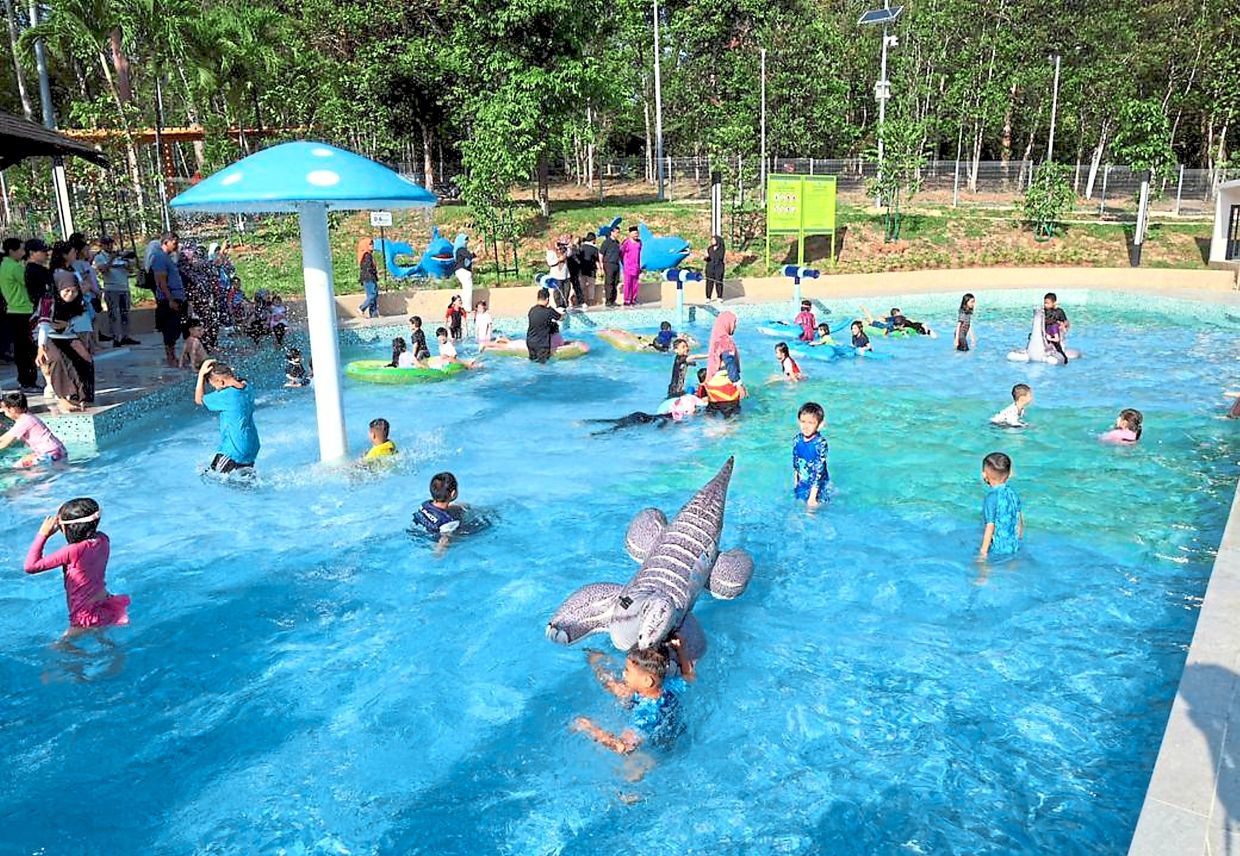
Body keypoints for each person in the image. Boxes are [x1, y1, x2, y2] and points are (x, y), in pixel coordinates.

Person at [23, 497, 130, 634]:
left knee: (60, 648)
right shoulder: (103, 539)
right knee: (102, 637)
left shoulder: (72, 551)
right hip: (105, 601)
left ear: (68, 528)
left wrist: (43, 534)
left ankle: (91, 656)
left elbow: (30, 566)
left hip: (85, 614)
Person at [571, 645, 689, 760]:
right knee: (617, 688)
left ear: (647, 681)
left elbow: (622, 747)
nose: (624, 674)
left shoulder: (645, 715)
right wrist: (680, 649)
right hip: (673, 725)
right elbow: (689, 676)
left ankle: (592, 657)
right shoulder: (669, 685)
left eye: (627, 671)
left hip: (658, 749)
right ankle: (595, 659)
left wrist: (591, 729)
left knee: (630, 771)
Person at [194, 359, 260, 474]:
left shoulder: (227, 395)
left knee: (209, 478)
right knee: (245, 485)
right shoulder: (247, 387)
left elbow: (199, 399)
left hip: (233, 449)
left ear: (221, 382)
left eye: (214, 386)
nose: (216, 389)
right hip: (252, 447)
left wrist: (201, 375)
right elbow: (239, 379)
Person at [2, 237, 39, 392]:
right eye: (21, 250)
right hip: (23, 309)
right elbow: (30, 282)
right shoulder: (15, 267)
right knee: (28, 349)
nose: (24, 253)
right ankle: (28, 381)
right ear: (12, 251)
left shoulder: (4, 265)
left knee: (21, 348)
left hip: (13, 309)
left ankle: (25, 379)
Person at [0, 391, 67, 468]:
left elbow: (5, 444)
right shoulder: (26, 417)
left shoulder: (23, 422)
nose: (2, 412)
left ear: (12, 409)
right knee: (20, 464)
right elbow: (5, 437)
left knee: (21, 469)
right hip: (56, 450)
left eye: (4, 410)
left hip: (51, 453)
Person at [93, 236, 139, 347]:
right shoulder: (100, 257)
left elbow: (131, 270)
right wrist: (112, 259)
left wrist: (127, 261)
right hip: (111, 288)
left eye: (111, 243)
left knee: (125, 313)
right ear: (102, 245)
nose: (110, 246)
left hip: (124, 287)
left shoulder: (120, 256)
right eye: (107, 244)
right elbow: (103, 270)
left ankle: (125, 336)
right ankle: (116, 337)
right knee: (113, 314)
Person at [150, 231, 187, 366]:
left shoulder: (168, 258)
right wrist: (170, 299)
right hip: (168, 300)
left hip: (176, 297)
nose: (177, 246)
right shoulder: (159, 257)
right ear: (166, 242)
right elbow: (161, 281)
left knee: (176, 328)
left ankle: (175, 356)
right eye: (174, 243)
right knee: (170, 329)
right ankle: (170, 357)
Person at [978, 451, 1023, 561]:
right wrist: (1019, 538)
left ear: (984, 474)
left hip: (997, 548)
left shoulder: (991, 498)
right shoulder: (1012, 493)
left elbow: (990, 526)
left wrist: (982, 554)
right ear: (1009, 474)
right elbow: (1019, 518)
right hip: (1013, 545)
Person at [411, 471, 464, 550]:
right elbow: (444, 541)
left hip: (415, 534)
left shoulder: (425, 504)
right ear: (453, 493)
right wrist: (438, 555)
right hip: (432, 540)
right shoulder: (449, 522)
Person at [793, 401, 829, 507]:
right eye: (803, 421)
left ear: (820, 425)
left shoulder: (820, 443)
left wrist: (812, 497)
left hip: (818, 486)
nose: (806, 426)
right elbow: (796, 463)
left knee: (814, 510)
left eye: (811, 423)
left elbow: (819, 470)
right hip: (803, 481)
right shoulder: (797, 440)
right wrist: (796, 483)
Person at [526, 287, 564, 363]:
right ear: (547, 299)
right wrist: (563, 313)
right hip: (542, 345)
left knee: (533, 362)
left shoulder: (532, 310)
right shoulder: (549, 311)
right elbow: (561, 318)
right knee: (543, 366)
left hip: (530, 342)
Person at [706, 310, 742, 383]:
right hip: (722, 383)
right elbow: (729, 361)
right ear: (727, 323)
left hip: (711, 381)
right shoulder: (725, 341)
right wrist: (738, 383)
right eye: (734, 323)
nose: (735, 326)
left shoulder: (715, 337)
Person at [861, 305, 934, 337]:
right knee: (872, 322)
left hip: (892, 323)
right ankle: (865, 310)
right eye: (899, 314)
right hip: (887, 325)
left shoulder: (903, 320)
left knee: (873, 321)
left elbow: (912, 323)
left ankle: (866, 315)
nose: (901, 315)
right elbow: (886, 331)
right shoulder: (892, 325)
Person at [620, 225, 642, 307]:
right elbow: (621, 253)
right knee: (627, 284)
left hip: (636, 266)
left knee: (635, 284)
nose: (636, 235)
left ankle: (634, 299)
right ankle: (626, 300)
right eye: (635, 233)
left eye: (637, 233)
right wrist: (624, 263)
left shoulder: (640, 243)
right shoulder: (626, 243)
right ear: (630, 234)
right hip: (628, 267)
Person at [358, 238, 380, 318]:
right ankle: (362, 308)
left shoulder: (366, 255)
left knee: (372, 296)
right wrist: (374, 272)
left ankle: (373, 315)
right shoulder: (367, 255)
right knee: (373, 294)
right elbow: (368, 268)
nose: (372, 246)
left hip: (366, 278)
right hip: (369, 278)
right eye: (370, 244)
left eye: (372, 244)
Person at [600, 225, 622, 307]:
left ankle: (613, 300)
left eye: (618, 232)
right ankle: (608, 301)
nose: (617, 234)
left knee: (615, 282)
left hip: (616, 264)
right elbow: (601, 254)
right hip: (609, 264)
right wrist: (601, 265)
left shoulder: (617, 243)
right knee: (609, 282)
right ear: (612, 232)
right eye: (616, 232)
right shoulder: (606, 242)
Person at [577, 232, 600, 306]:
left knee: (582, 286)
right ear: (593, 240)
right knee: (591, 286)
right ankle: (590, 300)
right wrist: (600, 269)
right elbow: (597, 260)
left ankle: (582, 301)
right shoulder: (594, 249)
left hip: (581, 270)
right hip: (591, 270)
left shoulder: (580, 247)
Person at [545, 240, 569, 308]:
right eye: (557, 243)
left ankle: (565, 305)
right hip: (556, 275)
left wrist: (567, 246)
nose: (558, 245)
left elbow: (570, 253)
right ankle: (559, 305)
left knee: (566, 291)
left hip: (566, 275)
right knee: (557, 291)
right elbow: (550, 263)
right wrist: (559, 260)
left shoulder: (564, 251)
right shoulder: (551, 252)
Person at [453, 235, 474, 309]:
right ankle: (466, 307)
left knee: (465, 288)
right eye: (465, 240)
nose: (467, 242)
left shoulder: (459, 251)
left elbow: (471, 256)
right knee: (468, 289)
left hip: (460, 271)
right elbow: (470, 256)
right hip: (463, 271)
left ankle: (460, 305)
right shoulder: (461, 249)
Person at [704, 234, 725, 302]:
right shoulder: (709, 248)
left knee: (718, 282)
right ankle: (708, 297)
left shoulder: (721, 248)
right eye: (712, 240)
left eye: (714, 240)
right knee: (709, 282)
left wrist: (711, 255)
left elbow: (720, 257)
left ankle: (719, 296)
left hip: (718, 267)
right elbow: (707, 259)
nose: (712, 241)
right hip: (710, 267)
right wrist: (706, 257)